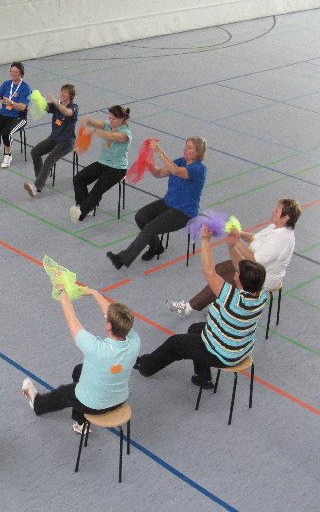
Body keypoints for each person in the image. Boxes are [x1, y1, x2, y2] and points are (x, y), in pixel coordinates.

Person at [136, 226, 267, 389]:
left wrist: (205, 240)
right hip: (241, 349)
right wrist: (231, 246)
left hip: (222, 354)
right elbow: (240, 268)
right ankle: (203, 378)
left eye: (238, 272)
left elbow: (209, 271)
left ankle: (146, 367)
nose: (235, 270)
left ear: (240, 280)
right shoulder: (260, 295)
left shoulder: (232, 298)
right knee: (195, 329)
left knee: (175, 343)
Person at [21, 285, 140, 434]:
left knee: (64, 393)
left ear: (109, 326)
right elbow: (111, 315)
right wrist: (94, 293)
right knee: (79, 370)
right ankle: (80, 423)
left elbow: (70, 317)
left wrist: (62, 292)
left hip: (92, 405)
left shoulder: (96, 348)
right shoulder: (134, 341)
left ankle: (38, 404)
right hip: (119, 400)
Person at [167, 198, 301, 318]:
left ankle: (187, 308)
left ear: (285, 218)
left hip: (262, 276)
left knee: (225, 279)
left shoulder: (281, 239)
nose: (273, 212)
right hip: (254, 267)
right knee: (219, 269)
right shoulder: (275, 227)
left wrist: (236, 241)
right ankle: (221, 304)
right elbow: (254, 239)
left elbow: (255, 260)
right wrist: (239, 233)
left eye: (277, 211)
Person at [107, 137, 207, 268]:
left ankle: (122, 259)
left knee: (150, 227)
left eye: (189, 148)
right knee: (141, 216)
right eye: (185, 146)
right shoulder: (180, 161)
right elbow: (159, 173)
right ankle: (156, 246)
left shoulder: (199, 169)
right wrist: (149, 165)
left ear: (198, 151)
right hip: (168, 203)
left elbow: (176, 171)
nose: (185, 149)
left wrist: (159, 151)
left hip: (184, 212)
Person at [69, 106, 132, 221]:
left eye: (113, 119)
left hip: (117, 169)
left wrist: (95, 131)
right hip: (102, 163)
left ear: (122, 119)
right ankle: (85, 206)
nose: (110, 121)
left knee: (97, 189)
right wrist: (87, 120)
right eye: (109, 118)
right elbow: (94, 123)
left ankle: (82, 212)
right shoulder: (108, 125)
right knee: (79, 179)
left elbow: (112, 136)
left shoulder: (126, 133)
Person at [23, 84, 78, 198]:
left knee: (49, 159)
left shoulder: (73, 107)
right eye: (62, 91)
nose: (62, 94)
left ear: (71, 95)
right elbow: (46, 107)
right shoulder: (56, 105)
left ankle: (36, 188)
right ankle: (40, 179)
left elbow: (67, 112)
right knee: (35, 152)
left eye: (65, 92)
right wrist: (38, 99)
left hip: (67, 141)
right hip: (54, 138)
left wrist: (55, 101)